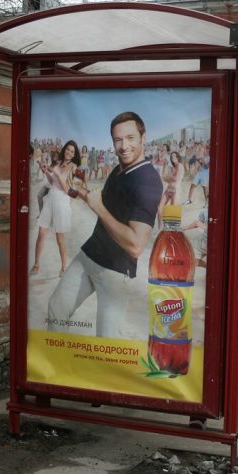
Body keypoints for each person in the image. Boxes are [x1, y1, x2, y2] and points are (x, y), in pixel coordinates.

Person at [48, 112, 163, 338]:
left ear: (143, 138)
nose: (124, 146)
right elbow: (103, 202)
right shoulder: (120, 169)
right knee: (56, 310)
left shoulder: (148, 181)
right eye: (118, 140)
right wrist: (82, 192)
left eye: (130, 138)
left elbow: (136, 245)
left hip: (115, 272)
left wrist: (97, 207)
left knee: (107, 341)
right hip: (90, 254)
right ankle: (56, 362)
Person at [31, 140, 80, 277]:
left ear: (74, 154)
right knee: (41, 233)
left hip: (62, 202)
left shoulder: (74, 167)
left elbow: (69, 190)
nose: (69, 152)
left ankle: (64, 267)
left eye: (72, 151)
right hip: (51, 199)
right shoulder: (58, 163)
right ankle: (36, 264)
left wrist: (57, 174)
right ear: (64, 150)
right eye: (68, 149)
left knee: (60, 238)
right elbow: (53, 182)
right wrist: (46, 172)